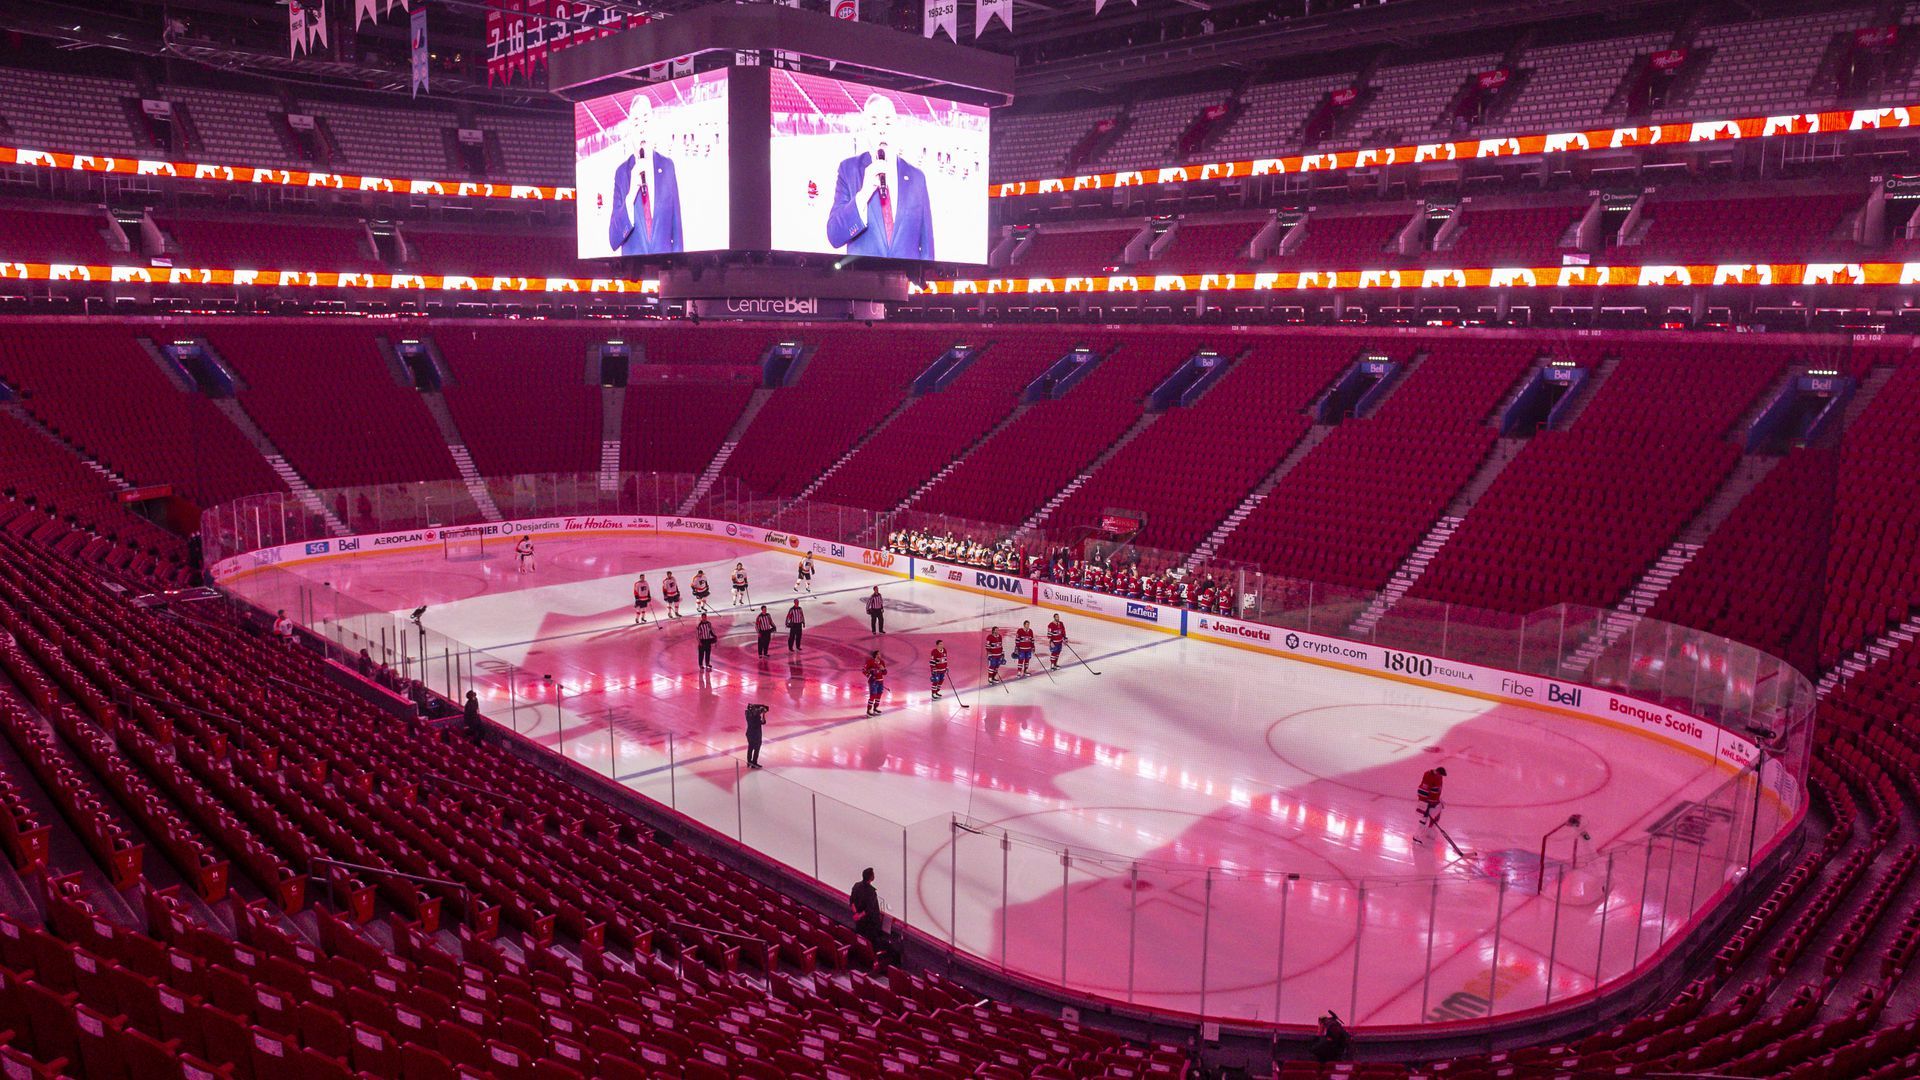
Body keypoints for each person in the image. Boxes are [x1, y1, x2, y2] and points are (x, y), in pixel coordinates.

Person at [825, 94, 935, 261]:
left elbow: (927, 245)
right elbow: (834, 235)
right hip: (861, 283)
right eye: (874, 122)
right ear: (865, 128)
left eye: (888, 122)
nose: (882, 129)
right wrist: (863, 194)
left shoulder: (917, 178)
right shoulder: (848, 170)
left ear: (896, 126)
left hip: (903, 283)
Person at [606, 94, 684, 255]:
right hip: (635, 277)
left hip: (665, 273)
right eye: (636, 123)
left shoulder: (668, 166)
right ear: (630, 131)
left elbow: (677, 231)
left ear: (653, 125)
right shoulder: (622, 174)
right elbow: (613, 239)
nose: (642, 128)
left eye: (646, 121)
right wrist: (631, 192)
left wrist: (677, 272)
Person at [850, 867, 888, 967]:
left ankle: (863, 957)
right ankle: (873, 961)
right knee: (871, 941)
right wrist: (860, 915)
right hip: (870, 923)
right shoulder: (871, 892)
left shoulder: (856, 886)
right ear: (871, 877)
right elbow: (869, 909)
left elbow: (852, 902)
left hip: (859, 921)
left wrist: (856, 914)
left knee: (861, 938)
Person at [1415, 766, 1447, 845]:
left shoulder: (1439, 777)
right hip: (1427, 802)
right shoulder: (1428, 776)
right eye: (1440, 775)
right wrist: (1423, 804)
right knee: (1424, 819)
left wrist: (1439, 799)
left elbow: (1437, 790)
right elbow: (1422, 790)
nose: (1441, 777)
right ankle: (1417, 836)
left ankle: (1430, 830)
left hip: (1434, 801)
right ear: (1437, 772)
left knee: (1437, 814)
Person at [862, 650, 887, 716]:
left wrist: (883, 669)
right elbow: (863, 670)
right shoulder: (870, 662)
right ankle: (868, 710)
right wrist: (869, 676)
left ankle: (875, 708)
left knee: (878, 696)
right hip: (873, 682)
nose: (880, 655)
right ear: (876, 655)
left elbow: (885, 673)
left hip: (880, 682)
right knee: (873, 696)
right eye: (879, 654)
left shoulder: (882, 662)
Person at [744, 703, 768, 768]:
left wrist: (756, 708)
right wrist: (763, 714)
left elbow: (753, 711)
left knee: (750, 747)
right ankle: (754, 763)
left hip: (749, 733)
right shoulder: (756, 718)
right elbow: (763, 722)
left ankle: (749, 762)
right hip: (756, 735)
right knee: (756, 748)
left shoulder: (748, 714)